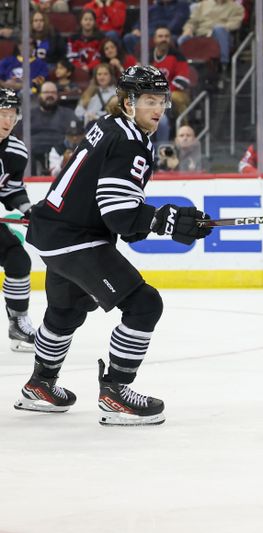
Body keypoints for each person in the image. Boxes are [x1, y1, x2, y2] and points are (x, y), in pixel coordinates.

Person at [16, 66, 212, 424]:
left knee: (66, 311)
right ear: (127, 102)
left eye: (161, 100)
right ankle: (116, 392)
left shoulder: (110, 127)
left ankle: (40, 385)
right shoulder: (130, 139)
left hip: (55, 232)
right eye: (148, 100)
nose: (157, 108)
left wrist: (158, 221)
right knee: (144, 305)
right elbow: (119, 214)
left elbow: (119, 216)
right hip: (76, 238)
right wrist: (167, 220)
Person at [0, 89, 38, 353]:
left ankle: (18, 324)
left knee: (18, 259)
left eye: (12, 115)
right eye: (2, 114)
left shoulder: (16, 151)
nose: (7, 121)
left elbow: (10, 189)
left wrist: (28, 209)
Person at [179, 0, 245, 69]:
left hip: (221, 36)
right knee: (182, 39)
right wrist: (188, 29)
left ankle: (223, 65)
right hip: (200, 35)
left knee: (219, 30)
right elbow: (192, 21)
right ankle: (179, 67)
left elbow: (235, 24)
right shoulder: (202, 5)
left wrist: (215, 30)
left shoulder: (236, 7)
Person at [27, 81, 75, 174]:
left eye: (53, 92)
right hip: (33, 153)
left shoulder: (68, 114)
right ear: (39, 95)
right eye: (46, 92)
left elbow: (75, 136)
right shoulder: (29, 114)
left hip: (60, 153)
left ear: (57, 95)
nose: (50, 95)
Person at [123, 0, 191, 56]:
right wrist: (136, 29)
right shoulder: (153, 8)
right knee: (128, 38)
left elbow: (177, 24)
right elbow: (140, 22)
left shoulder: (182, 5)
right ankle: (137, 62)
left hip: (168, 34)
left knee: (169, 39)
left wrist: (156, 33)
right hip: (147, 34)